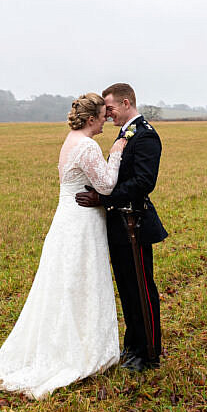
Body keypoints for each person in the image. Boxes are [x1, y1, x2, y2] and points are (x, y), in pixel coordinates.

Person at [0, 93, 127, 400]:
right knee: (80, 282)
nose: (106, 120)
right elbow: (105, 186)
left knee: (63, 284)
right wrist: (115, 153)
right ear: (92, 120)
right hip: (81, 222)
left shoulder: (70, 140)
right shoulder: (87, 145)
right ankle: (76, 350)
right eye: (103, 116)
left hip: (66, 219)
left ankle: (65, 342)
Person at [76, 83, 168, 372]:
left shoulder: (146, 137)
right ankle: (133, 345)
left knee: (142, 288)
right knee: (127, 290)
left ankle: (149, 352)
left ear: (126, 103)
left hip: (135, 224)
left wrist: (103, 198)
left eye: (111, 108)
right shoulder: (126, 133)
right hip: (119, 225)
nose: (107, 114)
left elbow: (143, 182)